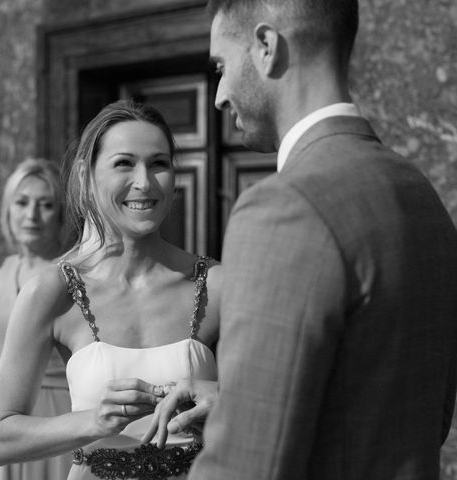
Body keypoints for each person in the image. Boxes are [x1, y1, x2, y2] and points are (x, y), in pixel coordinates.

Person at [146, 1, 457, 479]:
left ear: (267, 46)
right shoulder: (421, 194)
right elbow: (415, 415)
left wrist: (244, 430)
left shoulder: (283, 208)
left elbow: (248, 469)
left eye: (221, 66)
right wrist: (240, 404)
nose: (218, 96)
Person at [0, 100, 222, 480]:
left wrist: (222, 397)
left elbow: (279, 402)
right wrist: (94, 421)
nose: (144, 182)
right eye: (124, 163)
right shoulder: (52, 292)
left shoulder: (215, 285)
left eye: (159, 163)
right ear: (86, 175)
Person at [0, 158, 73, 479]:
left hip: (57, 419)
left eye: (45, 205)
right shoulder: (6, 269)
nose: (31, 215)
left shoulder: (71, 275)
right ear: (7, 209)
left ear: (60, 215)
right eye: (22, 203)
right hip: (4, 421)